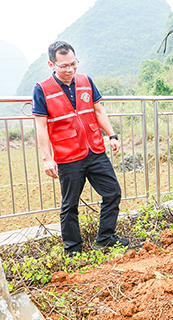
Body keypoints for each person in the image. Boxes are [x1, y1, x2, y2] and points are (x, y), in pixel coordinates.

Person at [32, 41, 129, 256]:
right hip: (68, 156)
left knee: (112, 192)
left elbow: (98, 110)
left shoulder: (86, 81)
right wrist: (47, 158)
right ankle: (73, 250)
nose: (70, 70)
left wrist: (111, 135)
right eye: (63, 66)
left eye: (73, 64)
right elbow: (40, 126)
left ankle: (105, 239)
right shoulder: (42, 90)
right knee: (70, 205)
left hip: (94, 150)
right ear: (51, 65)